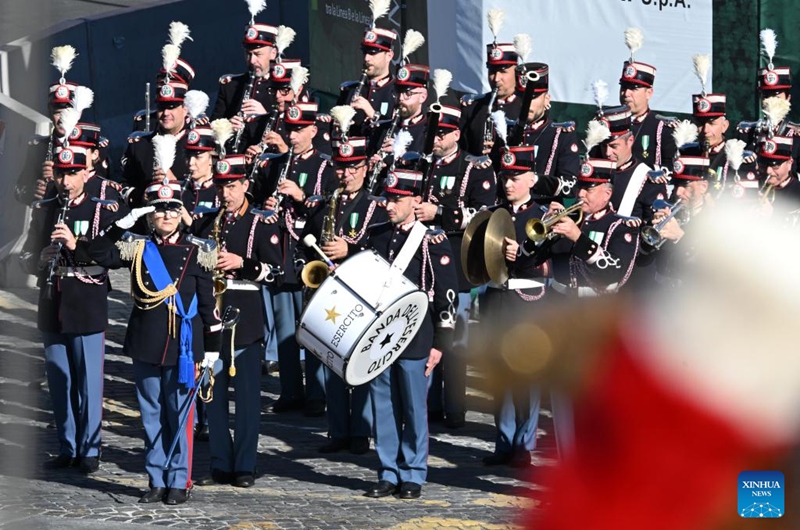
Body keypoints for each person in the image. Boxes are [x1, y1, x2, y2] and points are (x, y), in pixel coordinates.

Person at [87, 179, 221, 505]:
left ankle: (178, 480)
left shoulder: (197, 251)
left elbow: (207, 305)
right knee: (150, 415)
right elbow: (96, 253)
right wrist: (122, 224)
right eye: (159, 210)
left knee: (178, 415)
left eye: (173, 209)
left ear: (182, 213)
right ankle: (156, 478)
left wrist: (212, 350)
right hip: (147, 342)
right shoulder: (137, 246)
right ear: (150, 214)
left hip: (183, 348)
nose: (166, 216)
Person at [20, 144, 125, 474]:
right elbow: (29, 248)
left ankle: (90, 449)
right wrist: (36, 260)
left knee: (88, 381)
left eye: (71, 175)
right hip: (53, 299)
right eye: (61, 174)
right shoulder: (48, 206)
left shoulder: (103, 207)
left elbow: (116, 255)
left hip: (86, 300)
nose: (64, 182)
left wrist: (75, 245)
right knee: (59, 379)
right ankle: (67, 445)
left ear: (84, 173)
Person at [363, 168, 458, 500]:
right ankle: (388, 470)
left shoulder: (432, 240)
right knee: (384, 405)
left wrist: (441, 344)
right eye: (388, 198)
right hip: (378, 337)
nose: (390, 205)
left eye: (398, 199)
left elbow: (447, 295)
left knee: (415, 408)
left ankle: (413, 472)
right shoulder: (376, 235)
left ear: (416, 201)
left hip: (417, 337)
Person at [191, 155, 283, 488]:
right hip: (210, 320)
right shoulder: (204, 222)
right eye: (221, 186)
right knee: (211, 395)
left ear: (245, 185)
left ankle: (245, 464)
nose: (226, 193)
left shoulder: (262, 223)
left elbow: (278, 272)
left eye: (232, 186)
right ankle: (220, 462)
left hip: (245, 318)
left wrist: (242, 263)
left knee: (246, 399)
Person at [301, 134, 387, 451]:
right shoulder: (326, 205)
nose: (346, 174)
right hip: (331, 294)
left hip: (362, 294)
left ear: (365, 168)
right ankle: (337, 430)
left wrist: (351, 249)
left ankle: (361, 431)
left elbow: (382, 250)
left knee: (361, 362)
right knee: (333, 361)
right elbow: (305, 245)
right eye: (341, 167)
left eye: (353, 167)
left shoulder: (376, 207)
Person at [414, 104, 497, 428]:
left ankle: (455, 406)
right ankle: (431, 404)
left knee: (455, 337)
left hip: (457, 264)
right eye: (434, 132)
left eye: (443, 132)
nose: (437, 138)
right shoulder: (424, 165)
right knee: (427, 334)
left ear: (457, 135)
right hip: (425, 263)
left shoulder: (474, 168)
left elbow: (484, 213)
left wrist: (441, 214)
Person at [261, 102, 338, 417]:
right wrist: (269, 207)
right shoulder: (277, 164)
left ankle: (317, 394)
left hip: (311, 258)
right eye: (289, 129)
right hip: (283, 254)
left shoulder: (326, 166)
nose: (292, 136)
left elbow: (331, 215)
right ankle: (291, 390)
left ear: (312, 131)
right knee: (285, 329)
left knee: (315, 327)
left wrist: (301, 198)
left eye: (298, 130)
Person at [480, 146, 551, 466]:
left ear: (532, 179)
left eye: (516, 177)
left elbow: (549, 261)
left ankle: (523, 443)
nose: (509, 184)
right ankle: (504, 441)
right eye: (506, 177)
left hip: (527, 301)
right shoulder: (495, 213)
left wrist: (521, 258)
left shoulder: (544, 214)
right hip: (497, 298)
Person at [511, 62, 580, 200]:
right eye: (523, 97)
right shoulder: (505, 131)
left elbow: (570, 186)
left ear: (546, 99)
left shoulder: (561, 135)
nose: (527, 104)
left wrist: (534, 180)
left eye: (533, 98)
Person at [121, 80, 192, 211]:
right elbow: (125, 186)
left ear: (184, 110)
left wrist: (176, 184)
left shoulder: (197, 145)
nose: (165, 113)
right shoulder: (140, 145)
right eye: (161, 107)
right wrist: (142, 196)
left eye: (172, 107)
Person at [210, 20, 278, 154]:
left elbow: (290, 131)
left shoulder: (282, 88)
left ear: (273, 54)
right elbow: (212, 125)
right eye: (248, 54)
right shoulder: (230, 86)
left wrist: (264, 115)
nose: (252, 61)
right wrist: (227, 127)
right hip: (234, 159)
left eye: (258, 54)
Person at [617, 28, 676, 171]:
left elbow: (671, 167)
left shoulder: (662, 127)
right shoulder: (608, 121)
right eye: (624, 87)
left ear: (649, 93)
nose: (626, 94)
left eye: (634, 89)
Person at [460, 36, 523, 157]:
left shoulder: (526, 107)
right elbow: (460, 151)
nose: (496, 79)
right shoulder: (472, 107)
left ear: (516, 73)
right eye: (492, 71)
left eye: (503, 72)